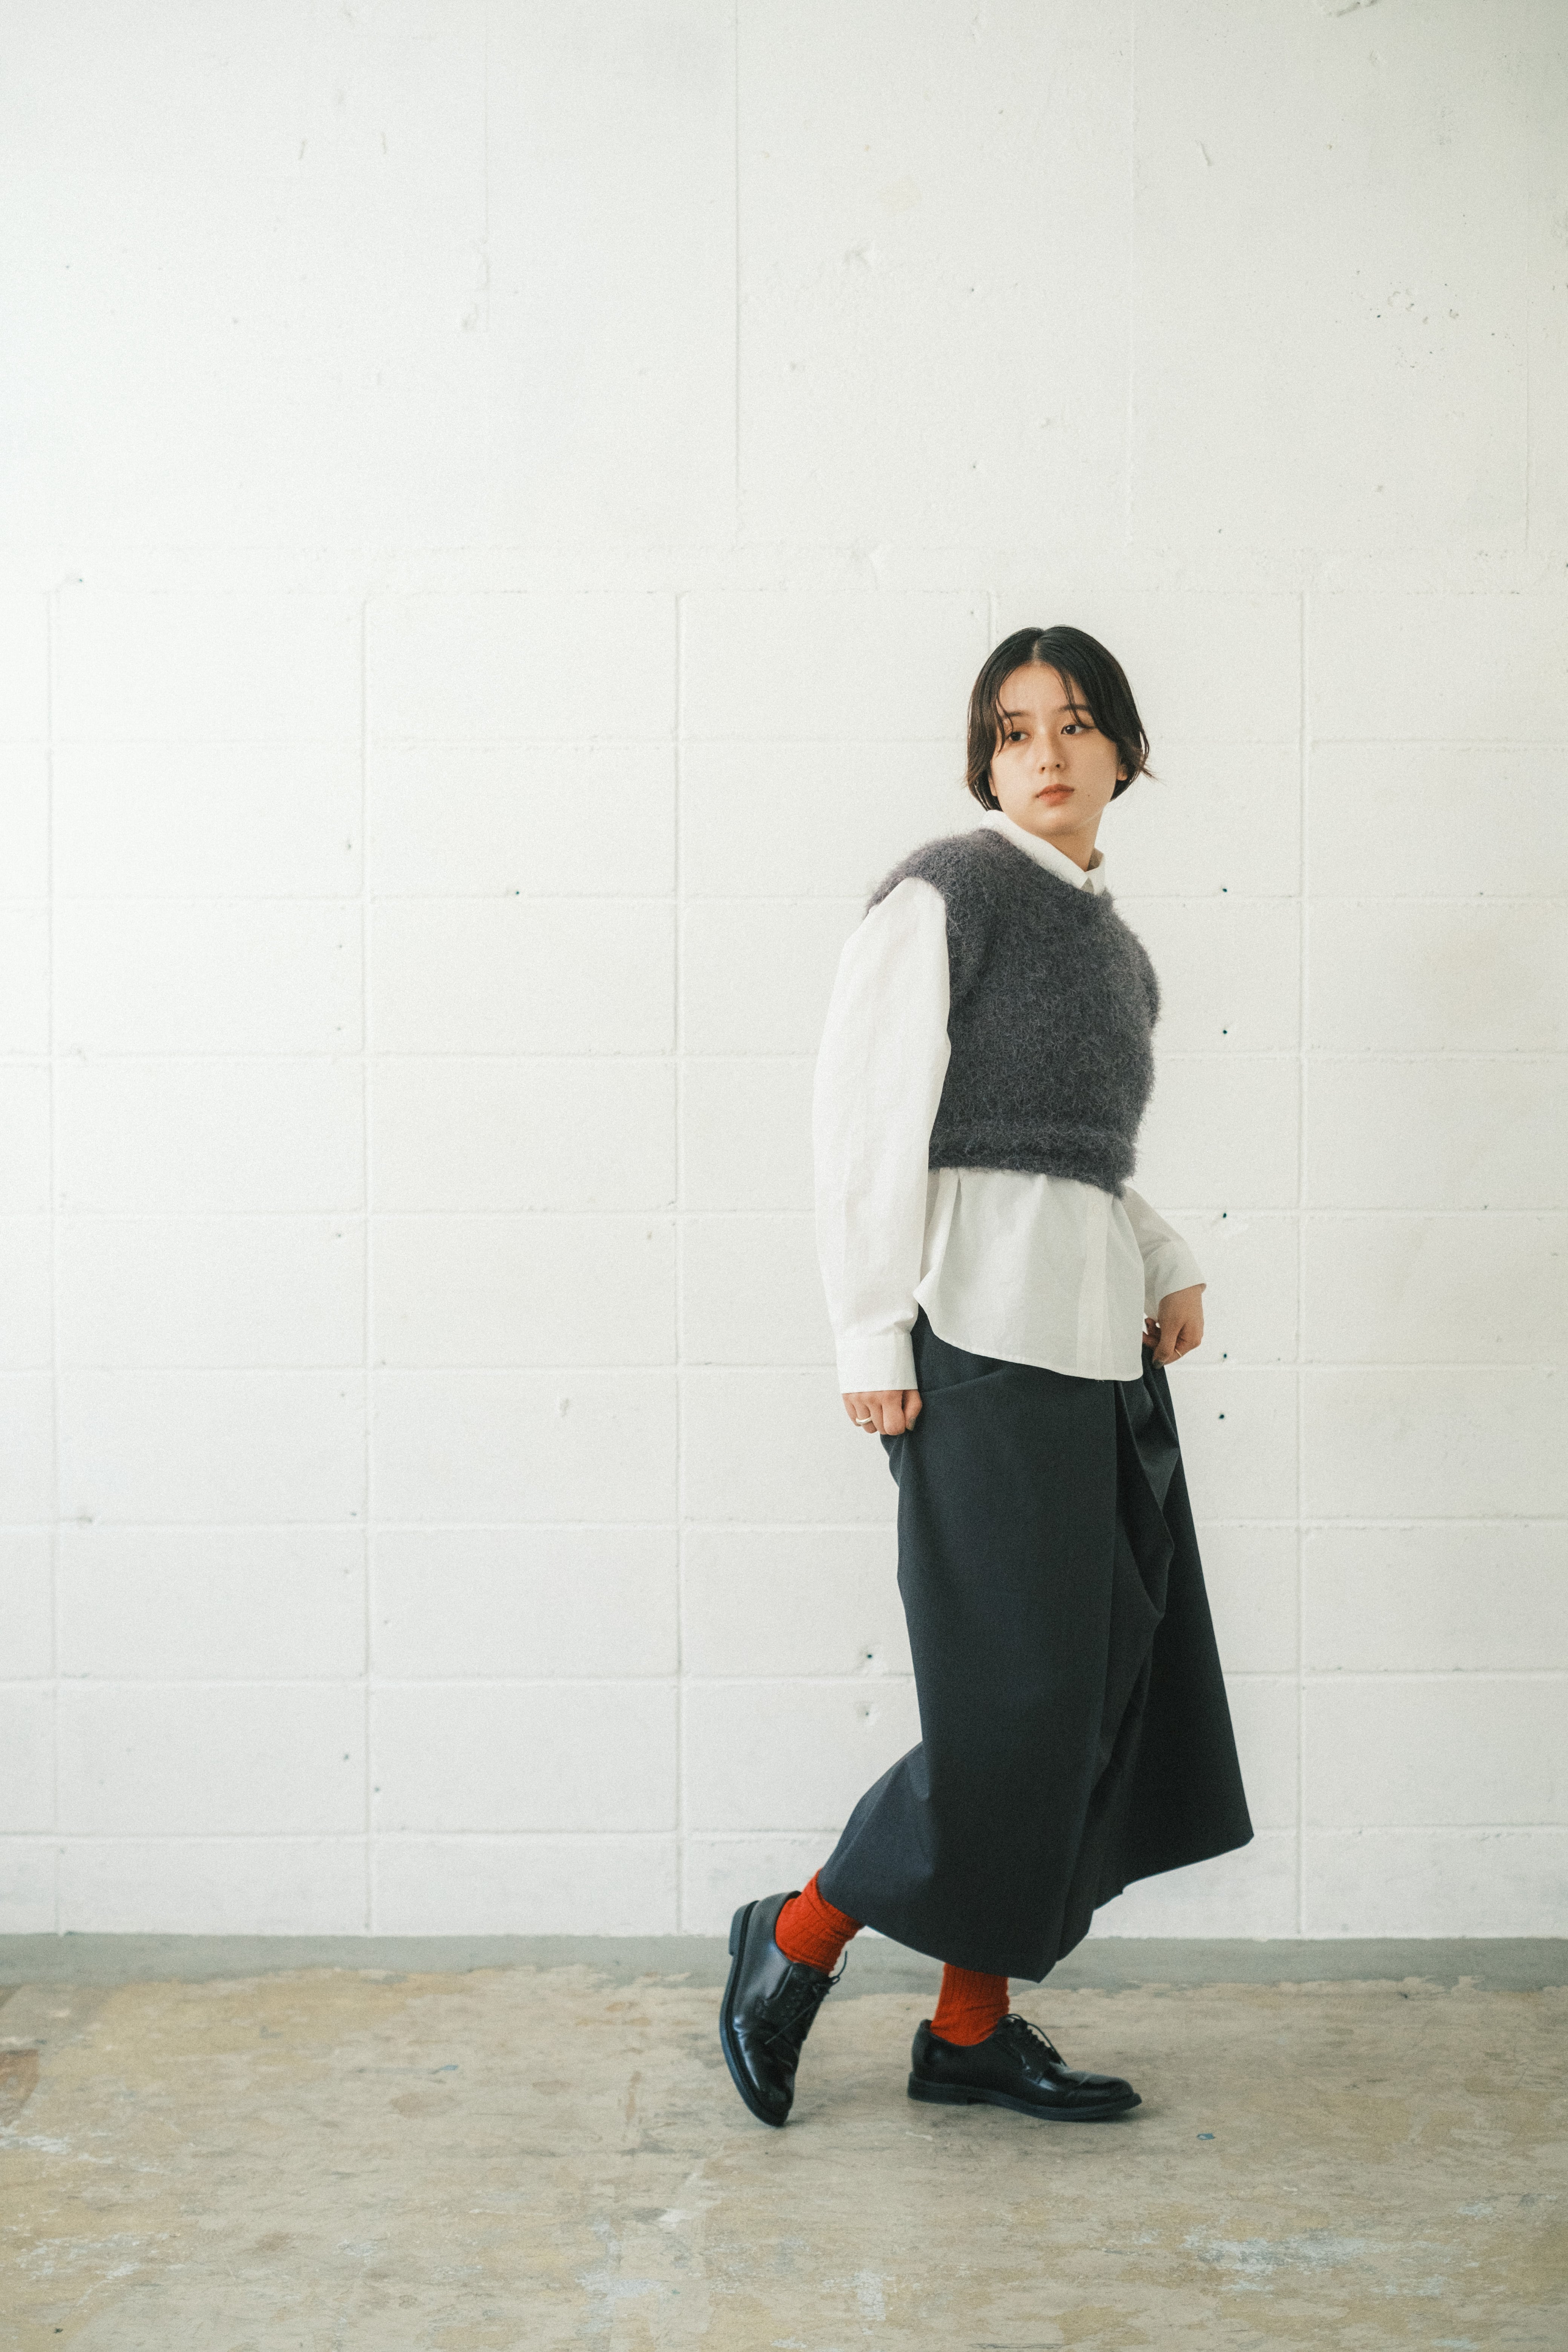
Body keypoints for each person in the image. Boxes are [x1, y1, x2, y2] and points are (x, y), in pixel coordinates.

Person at [718, 624, 1254, 2129]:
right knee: (1008, 1710)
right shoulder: (941, 896)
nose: (1047, 753)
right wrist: (867, 1334)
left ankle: (967, 2028)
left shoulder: (1115, 946)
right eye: (1015, 730)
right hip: (974, 1339)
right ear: (984, 760)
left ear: (1124, 753)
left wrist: (1162, 1254)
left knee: (1080, 1700)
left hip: (1092, 1344)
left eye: (1076, 724)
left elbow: (1071, 1158)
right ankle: (800, 1934)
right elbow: (865, 1129)